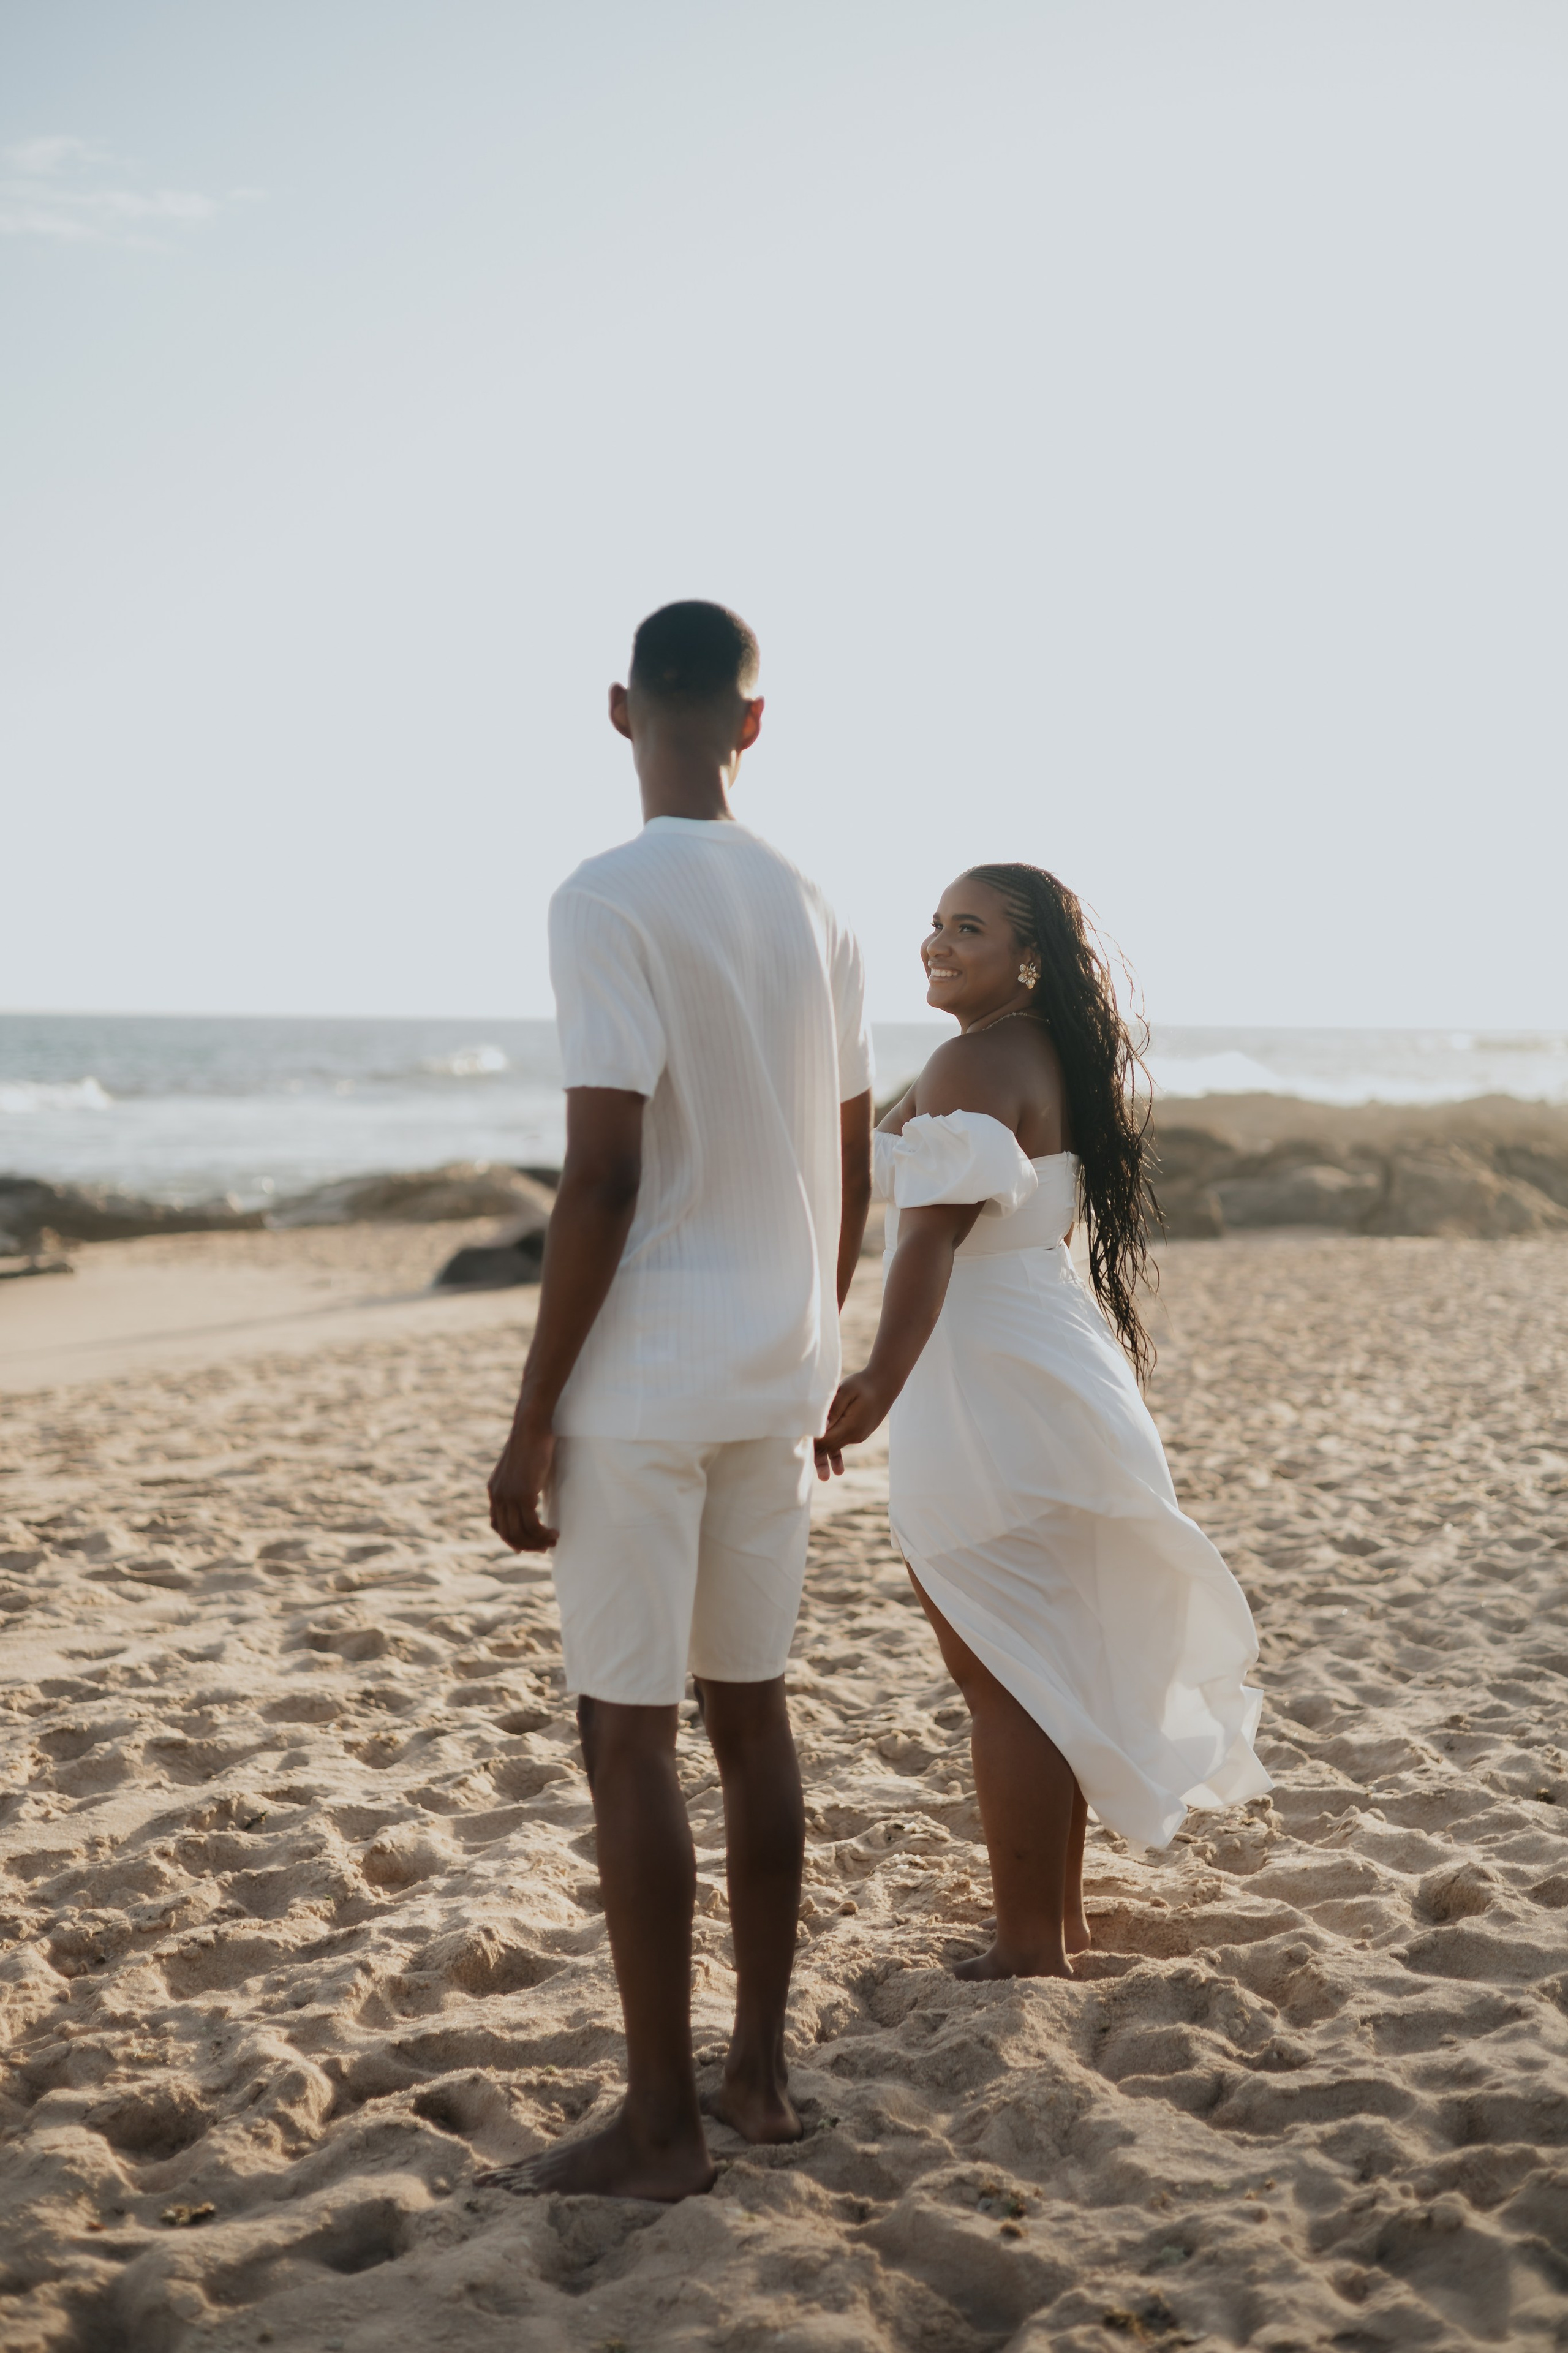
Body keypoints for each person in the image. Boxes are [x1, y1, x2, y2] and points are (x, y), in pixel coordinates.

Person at [487, 600, 874, 2199]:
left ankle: (657, 2128)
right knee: (753, 1711)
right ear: (755, 723)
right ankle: (760, 2081)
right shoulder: (819, 906)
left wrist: (530, 1416)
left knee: (627, 1735)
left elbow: (600, 1174)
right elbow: (849, 1165)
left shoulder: (603, 898)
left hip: (646, 1377)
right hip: (777, 1369)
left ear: (618, 709)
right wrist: (812, 1331)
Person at [817, 862, 1269, 1979]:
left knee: (1001, 1671)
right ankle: (1052, 1926)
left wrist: (875, 1376)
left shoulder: (973, 1059)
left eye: (966, 928)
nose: (936, 941)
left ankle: (1027, 1942)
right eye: (932, 923)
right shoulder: (1034, 1053)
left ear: (1026, 958)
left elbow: (925, 1241)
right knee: (1039, 1661)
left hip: (987, 1386)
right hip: (1050, 1367)